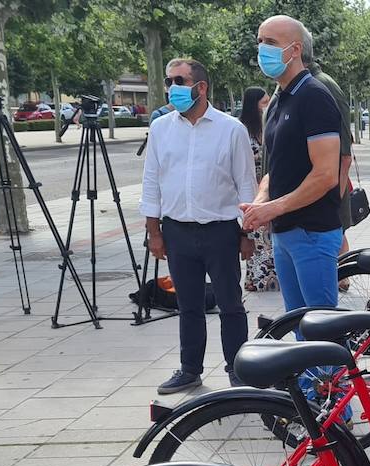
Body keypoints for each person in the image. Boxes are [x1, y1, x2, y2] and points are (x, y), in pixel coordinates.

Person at [140, 57, 257, 394]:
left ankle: (238, 369)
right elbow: (152, 182)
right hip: (177, 231)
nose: (172, 88)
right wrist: (154, 232)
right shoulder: (161, 128)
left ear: (201, 87)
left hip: (221, 231)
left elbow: (246, 186)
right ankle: (189, 369)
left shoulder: (231, 129)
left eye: (179, 80)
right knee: (188, 305)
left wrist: (246, 233)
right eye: (168, 81)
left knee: (230, 304)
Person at [242, 15, 343, 312]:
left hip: (311, 231)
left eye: (271, 43)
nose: (263, 50)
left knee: (321, 330)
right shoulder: (277, 101)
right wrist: (259, 203)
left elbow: (326, 175)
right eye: (260, 42)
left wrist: (274, 207)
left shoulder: (313, 96)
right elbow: (277, 168)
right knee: (297, 323)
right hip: (284, 232)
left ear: (295, 50)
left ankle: (331, 363)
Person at [302, 43, 355, 256]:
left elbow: (344, 155)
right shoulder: (299, 86)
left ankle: (341, 276)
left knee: (334, 240)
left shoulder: (321, 86)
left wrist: (335, 200)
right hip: (311, 196)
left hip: (325, 193)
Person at [238, 86, 276, 292]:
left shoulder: (269, 125)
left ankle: (272, 278)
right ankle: (256, 278)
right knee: (256, 235)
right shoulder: (241, 128)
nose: (267, 106)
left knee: (269, 237)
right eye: (264, 102)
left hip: (270, 187)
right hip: (251, 189)